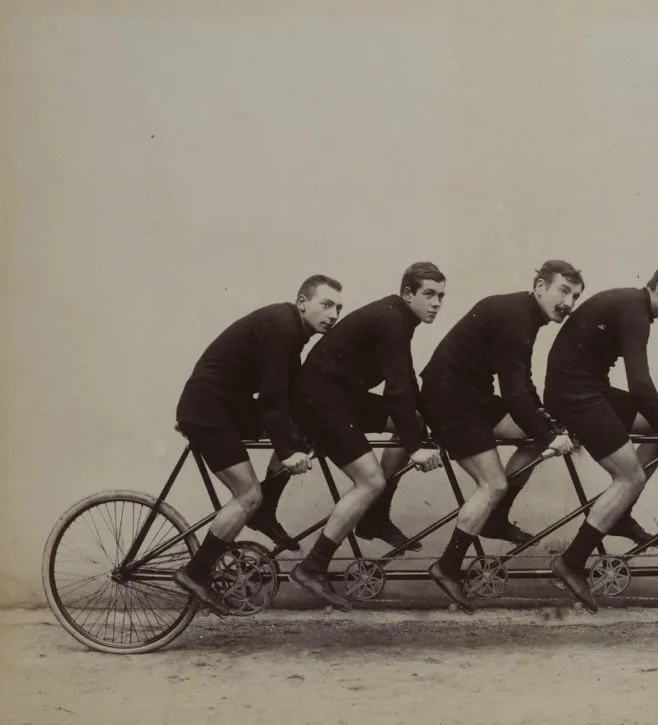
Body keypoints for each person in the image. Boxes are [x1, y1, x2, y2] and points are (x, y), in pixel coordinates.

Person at [172, 276, 343, 615]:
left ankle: (265, 510)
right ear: (302, 302)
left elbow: (289, 395)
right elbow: (272, 399)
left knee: (303, 430)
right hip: (209, 409)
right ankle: (195, 572)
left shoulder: (290, 330)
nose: (334, 314)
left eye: (339, 308)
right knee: (248, 494)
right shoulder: (283, 327)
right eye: (326, 305)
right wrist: (289, 452)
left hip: (226, 405)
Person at [418, 260, 582, 613]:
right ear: (540, 286)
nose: (569, 303)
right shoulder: (516, 316)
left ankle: (495, 517)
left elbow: (522, 380)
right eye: (563, 291)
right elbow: (513, 391)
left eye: (575, 296)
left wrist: (546, 423)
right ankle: (447, 566)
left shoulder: (524, 314)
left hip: (471, 397)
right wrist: (548, 434)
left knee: (538, 436)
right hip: (449, 402)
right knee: (492, 485)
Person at [285, 262, 447, 610]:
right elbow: (397, 388)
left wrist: (430, 425)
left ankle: (374, 516)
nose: (436, 303)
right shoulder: (392, 320)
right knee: (370, 481)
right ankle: (312, 567)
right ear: (408, 294)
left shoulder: (398, 318)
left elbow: (406, 381)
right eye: (429, 294)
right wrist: (416, 448)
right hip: (319, 402)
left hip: (341, 397)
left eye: (441, 297)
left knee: (413, 422)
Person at [542, 259, 658, 613]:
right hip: (574, 396)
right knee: (631, 476)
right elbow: (640, 384)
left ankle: (620, 513)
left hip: (589, 390)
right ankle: (571, 561)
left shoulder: (633, 307)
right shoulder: (634, 310)